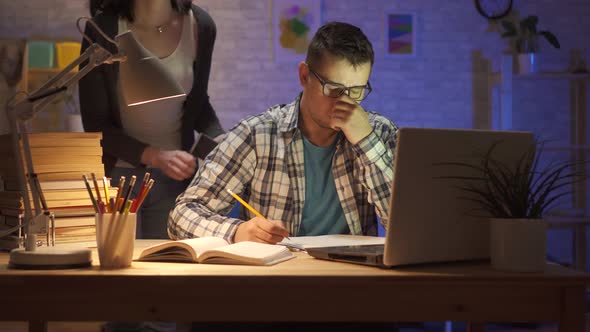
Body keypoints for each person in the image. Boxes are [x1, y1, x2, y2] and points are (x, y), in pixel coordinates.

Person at [169, 21, 397, 246]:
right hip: (278, 275)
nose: (345, 103)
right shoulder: (258, 134)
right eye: (334, 89)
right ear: (304, 75)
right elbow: (181, 215)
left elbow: (405, 224)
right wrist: (236, 232)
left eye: (356, 91)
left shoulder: (380, 133)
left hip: (354, 277)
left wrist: (367, 143)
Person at [79, 0, 225, 240]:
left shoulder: (200, 25)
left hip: (176, 180)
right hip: (118, 180)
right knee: (118, 266)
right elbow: (95, 124)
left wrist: (221, 138)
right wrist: (154, 155)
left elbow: (197, 104)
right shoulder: (103, 28)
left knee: (168, 269)